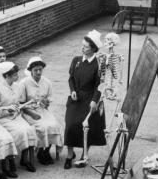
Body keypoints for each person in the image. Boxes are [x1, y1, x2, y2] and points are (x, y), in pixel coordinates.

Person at [64, 30, 107, 169]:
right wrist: (73, 91)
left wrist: (95, 100)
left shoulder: (98, 64)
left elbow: (99, 85)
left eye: (86, 47)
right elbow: (71, 78)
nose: (82, 48)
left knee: (86, 127)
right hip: (76, 98)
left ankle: (84, 154)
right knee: (70, 125)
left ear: (93, 49)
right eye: (82, 45)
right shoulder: (76, 60)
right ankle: (70, 155)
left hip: (90, 99)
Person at [0, 62, 38, 172]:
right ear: (7, 76)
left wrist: (25, 105)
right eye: (15, 75)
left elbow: (18, 102)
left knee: (29, 129)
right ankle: (10, 160)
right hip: (2, 118)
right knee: (19, 132)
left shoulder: (17, 86)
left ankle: (26, 159)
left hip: (15, 116)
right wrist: (6, 108)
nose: (17, 76)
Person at [18, 57, 64, 165]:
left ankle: (46, 151)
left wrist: (46, 102)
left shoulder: (47, 82)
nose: (38, 72)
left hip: (42, 110)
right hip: (29, 111)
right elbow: (20, 104)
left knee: (55, 125)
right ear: (30, 71)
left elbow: (49, 99)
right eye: (35, 70)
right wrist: (32, 114)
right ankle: (40, 151)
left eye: (40, 69)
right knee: (42, 126)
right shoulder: (24, 83)